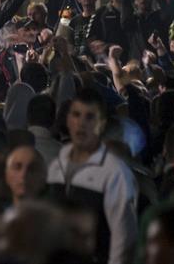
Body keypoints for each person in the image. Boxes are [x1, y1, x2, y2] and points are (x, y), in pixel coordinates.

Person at [47, 88, 138, 264]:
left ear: (101, 124)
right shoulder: (57, 166)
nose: (81, 123)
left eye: (90, 117)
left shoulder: (115, 172)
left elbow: (124, 238)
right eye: (76, 115)